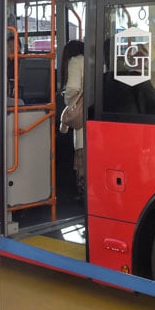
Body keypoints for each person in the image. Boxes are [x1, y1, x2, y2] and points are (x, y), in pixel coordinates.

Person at [59, 40, 85, 195]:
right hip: (95, 112)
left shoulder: (75, 61)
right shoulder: (94, 59)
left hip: (81, 113)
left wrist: (66, 100)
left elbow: (73, 88)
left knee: (81, 153)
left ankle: (82, 194)